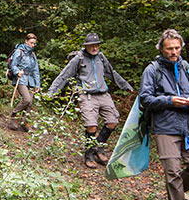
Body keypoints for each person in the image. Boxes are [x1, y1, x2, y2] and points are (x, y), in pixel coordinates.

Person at [139, 29, 189, 200]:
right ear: (161, 48)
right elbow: (145, 98)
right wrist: (170, 101)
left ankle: (174, 190)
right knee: (173, 171)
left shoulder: (187, 68)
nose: (173, 52)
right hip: (164, 126)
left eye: (176, 48)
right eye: (169, 48)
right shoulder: (153, 70)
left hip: (187, 126)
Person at [47, 33, 134, 168]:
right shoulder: (79, 59)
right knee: (91, 126)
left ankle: (98, 148)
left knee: (112, 122)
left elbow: (112, 73)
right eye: (92, 46)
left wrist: (125, 85)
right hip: (87, 95)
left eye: (96, 45)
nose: (94, 48)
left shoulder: (101, 57)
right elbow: (64, 75)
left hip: (103, 94)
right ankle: (88, 155)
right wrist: (51, 92)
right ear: (86, 46)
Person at [9, 33, 41, 132]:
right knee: (26, 99)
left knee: (30, 103)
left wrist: (37, 84)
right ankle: (13, 115)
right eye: (31, 43)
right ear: (26, 41)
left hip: (30, 80)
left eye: (34, 43)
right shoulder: (19, 51)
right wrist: (17, 71)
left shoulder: (32, 54)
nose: (32, 45)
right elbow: (13, 65)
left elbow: (36, 70)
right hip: (21, 78)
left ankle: (24, 121)